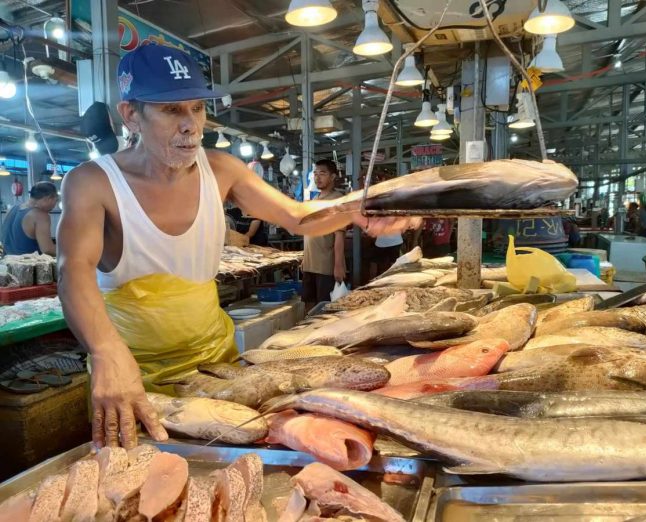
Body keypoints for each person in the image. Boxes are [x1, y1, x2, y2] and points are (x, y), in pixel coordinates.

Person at [56, 43, 418, 450]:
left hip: (213, 361)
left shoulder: (221, 169)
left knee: (225, 464)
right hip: (128, 369)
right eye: (171, 110)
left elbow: (298, 216)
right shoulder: (93, 182)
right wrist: (106, 352)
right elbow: (73, 270)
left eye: (197, 108)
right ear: (131, 115)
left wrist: (358, 210)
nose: (191, 125)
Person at [301, 159, 346, 311]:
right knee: (308, 304)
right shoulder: (315, 199)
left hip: (325, 266)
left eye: (322, 173)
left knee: (324, 309)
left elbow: (339, 235)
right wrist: (304, 259)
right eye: (315, 173)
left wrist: (339, 266)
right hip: (309, 264)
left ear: (333, 177)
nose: (317, 177)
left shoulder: (337, 200)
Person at [1, 182, 58, 255]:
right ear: (49, 198)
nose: (54, 206)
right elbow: (47, 250)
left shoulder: (11, 209)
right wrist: (71, 250)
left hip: (5, 263)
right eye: (56, 200)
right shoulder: (40, 215)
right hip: (28, 265)